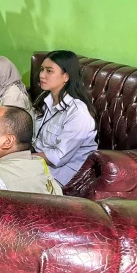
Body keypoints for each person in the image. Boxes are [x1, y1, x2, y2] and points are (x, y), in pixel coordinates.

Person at [32, 50, 98, 185]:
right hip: (37, 164)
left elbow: (58, 157)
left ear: (66, 76)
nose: (41, 75)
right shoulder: (45, 100)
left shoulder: (78, 113)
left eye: (49, 71)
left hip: (60, 176)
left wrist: (24, 159)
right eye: (42, 69)